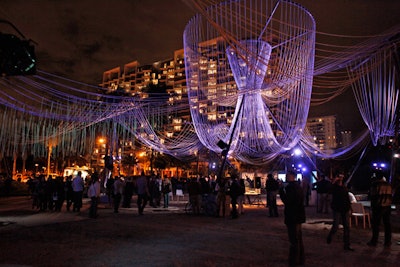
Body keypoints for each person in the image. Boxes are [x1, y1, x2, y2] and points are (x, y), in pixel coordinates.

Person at [279, 170, 305, 266]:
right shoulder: (298, 187)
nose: (285, 177)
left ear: (291, 176)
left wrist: (281, 190)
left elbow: (287, 201)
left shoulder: (291, 188)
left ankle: (294, 260)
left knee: (294, 240)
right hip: (298, 215)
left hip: (293, 216)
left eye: (287, 176)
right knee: (298, 238)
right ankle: (301, 258)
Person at [326, 174, 354, 251]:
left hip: (345, 209)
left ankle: (347, 245)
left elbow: (347, 198)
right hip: (337, 208)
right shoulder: (334, 188)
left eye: (342, 178)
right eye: (339, 178)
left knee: (347, 227)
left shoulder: (344, 188)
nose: (341, 179)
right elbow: (329, 190)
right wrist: (334, 181)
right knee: (336, 225)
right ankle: (330, 236)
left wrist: (350, 208)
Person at [367, 172, 393, 247]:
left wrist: (373, 206)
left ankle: (374, 241)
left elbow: (373, 196)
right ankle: (387, 242)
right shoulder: (388, 184)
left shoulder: (375, 184)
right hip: (387, 206)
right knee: (387, 225)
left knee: (376, 225)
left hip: (378, 207)